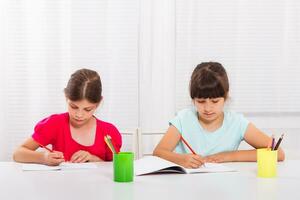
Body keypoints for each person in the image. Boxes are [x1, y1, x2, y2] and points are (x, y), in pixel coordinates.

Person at [153, 62, 285, 169]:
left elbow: (278, 153)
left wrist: (229, 156)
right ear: (193, 99)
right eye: (201, 101)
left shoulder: (237, 123)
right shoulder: (183, 119)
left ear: (225, 97)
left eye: (215, 101)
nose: (208, 108)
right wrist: (181, 159)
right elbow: (158, 152)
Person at [13, 69, 122, 166]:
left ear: (98, 104)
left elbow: (116, 167)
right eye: (73, 107)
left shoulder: (108, 132)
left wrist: (94, 159)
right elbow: (18, 153)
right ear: (66, 97)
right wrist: (43, 157)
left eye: (87, 109)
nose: (79, 115)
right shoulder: (55, 123)